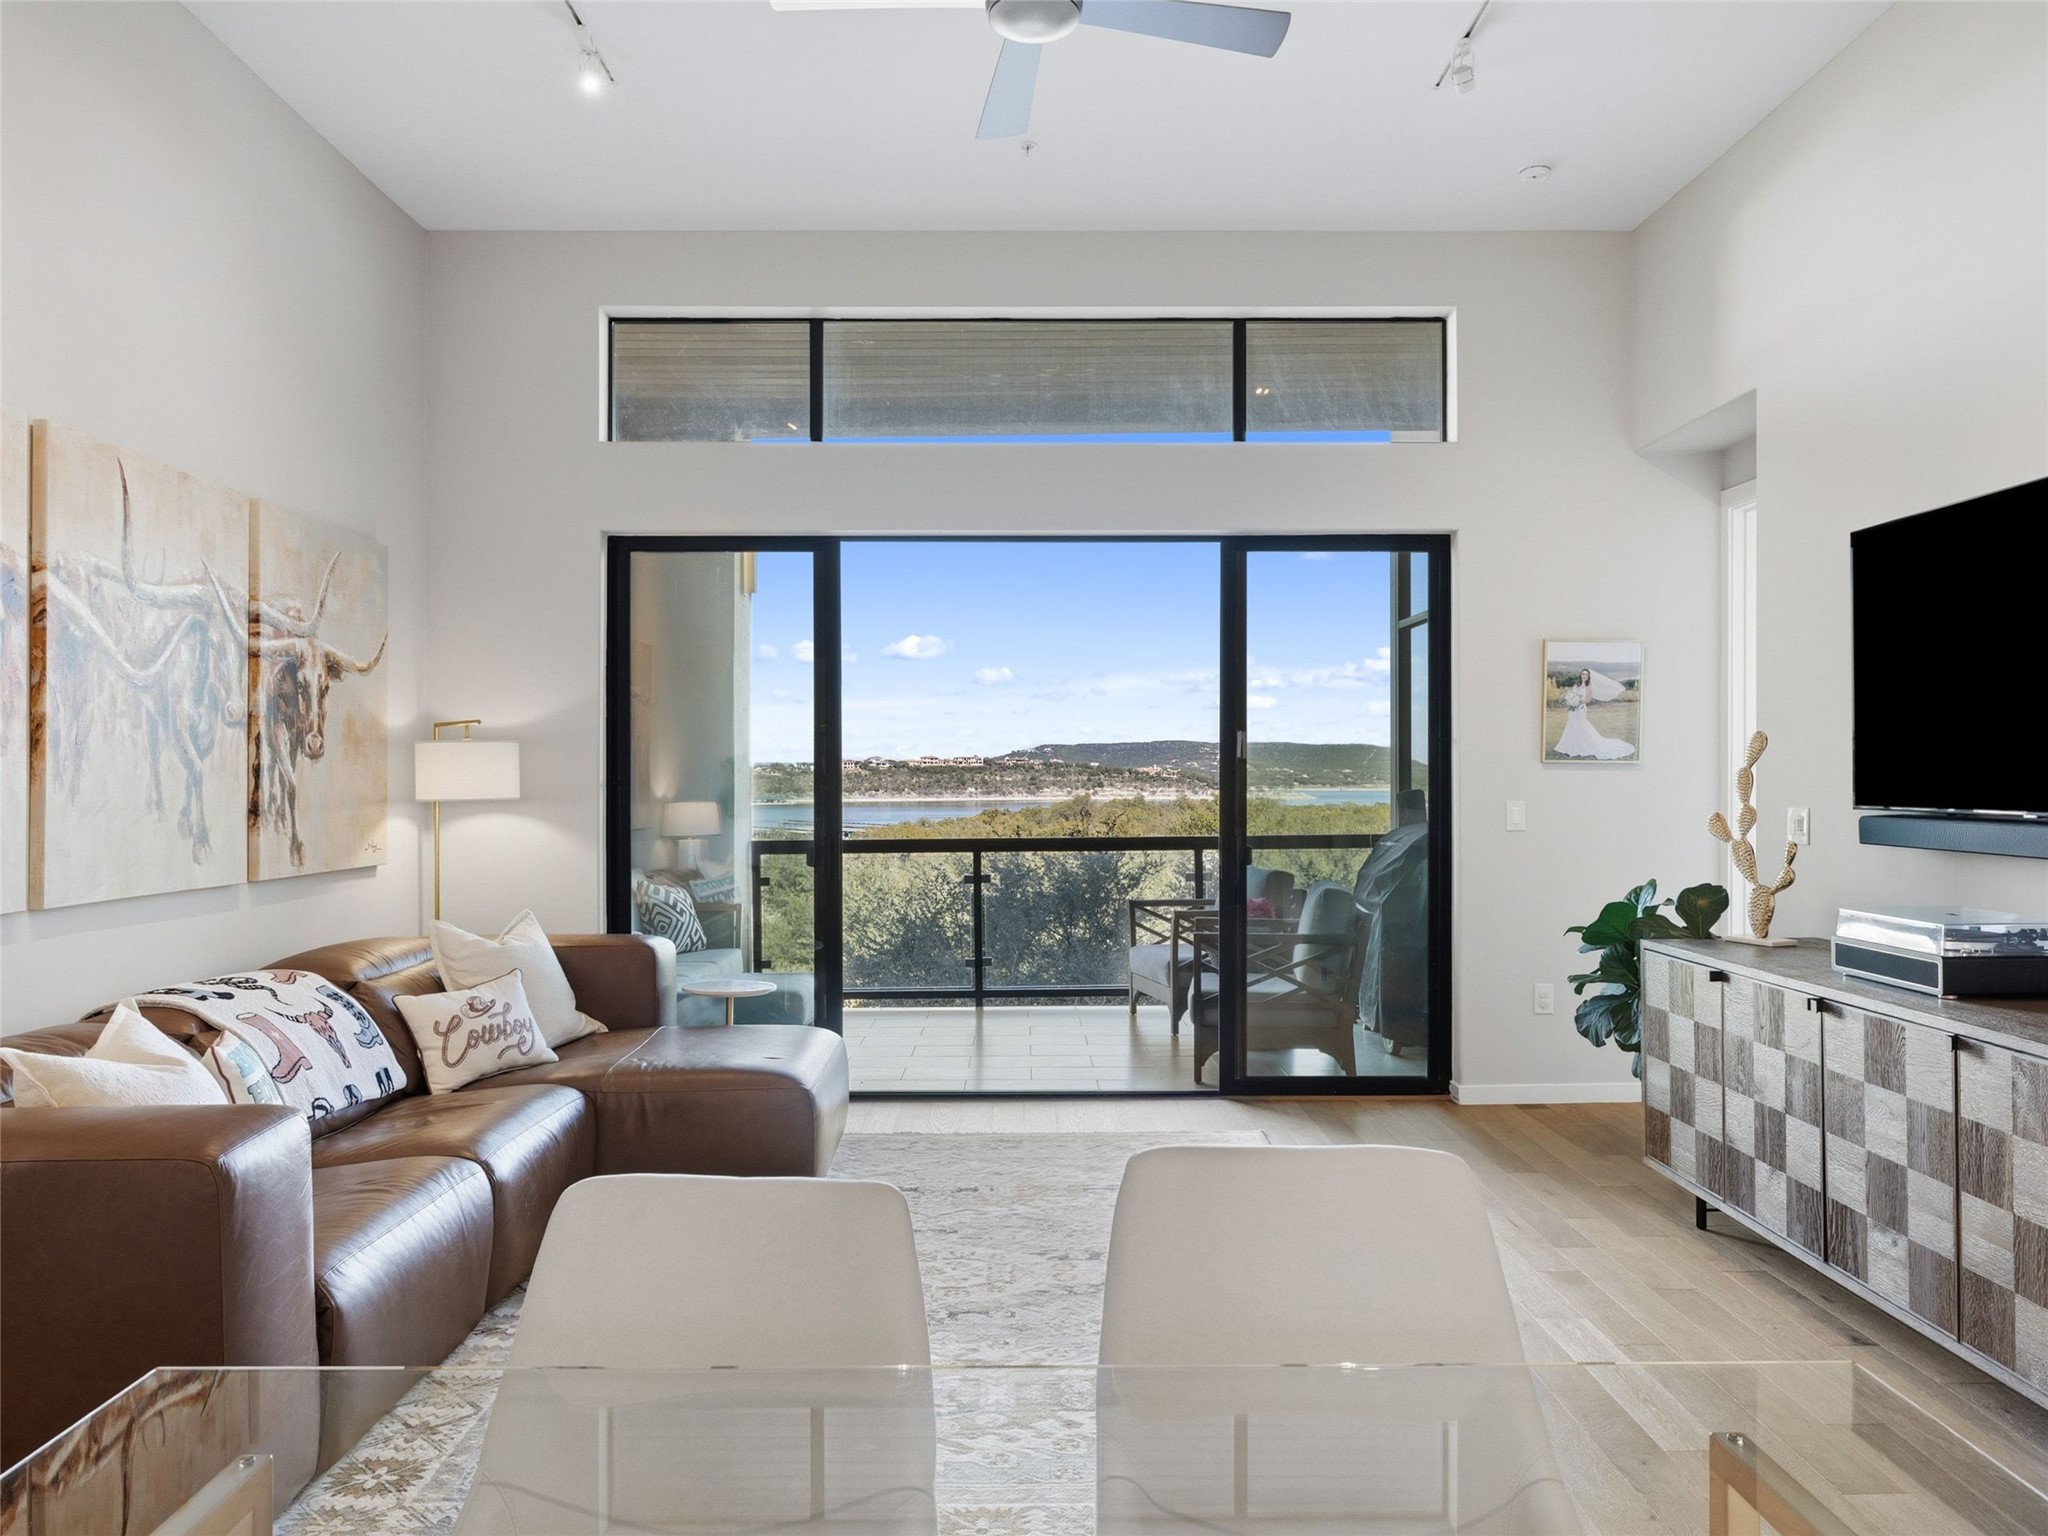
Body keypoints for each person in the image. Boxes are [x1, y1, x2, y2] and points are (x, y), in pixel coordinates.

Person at [1553, 667, 1635, 760]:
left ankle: (1586, 744)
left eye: (1586, 675)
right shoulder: (1577, 684)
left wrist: (1579, 701)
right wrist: (1570, 699)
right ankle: (1570, 744)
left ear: (1588, 676)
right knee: (1572, 724)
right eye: (1583, 674)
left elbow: (1588, 700)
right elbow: (1572, 693)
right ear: (1581, 675)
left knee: (1581, 725)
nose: (1584, 676)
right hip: (1573, 709)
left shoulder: (1589, 686)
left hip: (1581, 708)